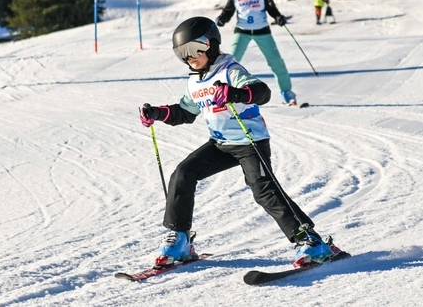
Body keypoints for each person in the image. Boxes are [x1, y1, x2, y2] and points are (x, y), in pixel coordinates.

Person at [138, 17, 337, 269]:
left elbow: (262, 91)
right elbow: (185, 113)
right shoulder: (195, 81)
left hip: (250, 142)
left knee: (263, 189)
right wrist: (157, 112)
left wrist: (236, 93)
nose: (189, 58)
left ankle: (310, 240)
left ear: (211, 45)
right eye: (182, 53)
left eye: (194, 49)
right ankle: (180, 239)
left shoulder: (229, 71)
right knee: (183, 173)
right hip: (221, 144)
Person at [215, 0, 298, 105]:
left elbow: (272, 9)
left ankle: (287, 93)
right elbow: (227, 12)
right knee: (229, 62)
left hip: (262, 31)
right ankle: (223, 92)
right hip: (242, 31)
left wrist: (278, 17)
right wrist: (222, 19)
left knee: (276, 62)